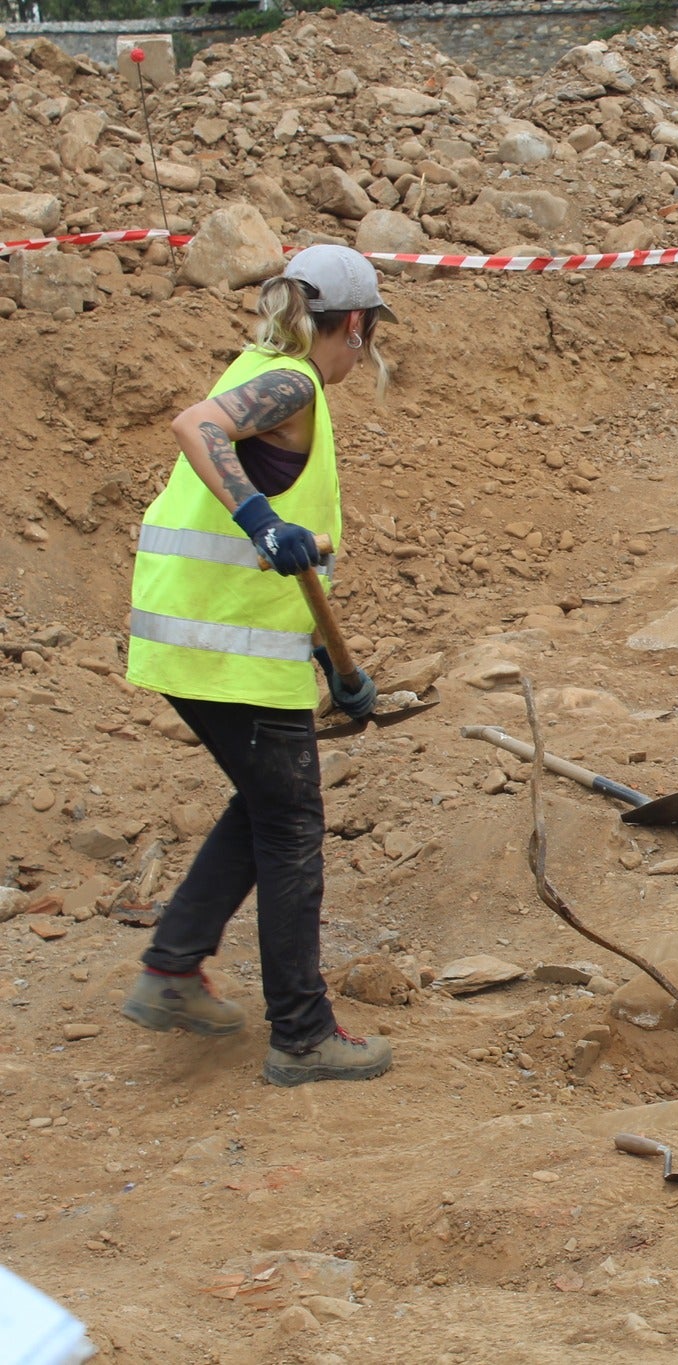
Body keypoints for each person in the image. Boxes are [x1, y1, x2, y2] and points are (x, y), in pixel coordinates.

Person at [119, 245, 395, 1087]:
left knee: (265, 805)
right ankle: (303, 1036)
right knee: (291, 826)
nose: (362, 352)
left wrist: (329, 660)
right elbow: (197, 425)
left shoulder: (267, 368)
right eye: (365, 335)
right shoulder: (296, 383)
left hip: (201, 642)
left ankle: (171, 970)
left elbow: (293, 562)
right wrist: (257, 519)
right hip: (223, 654)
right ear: (352, 323)